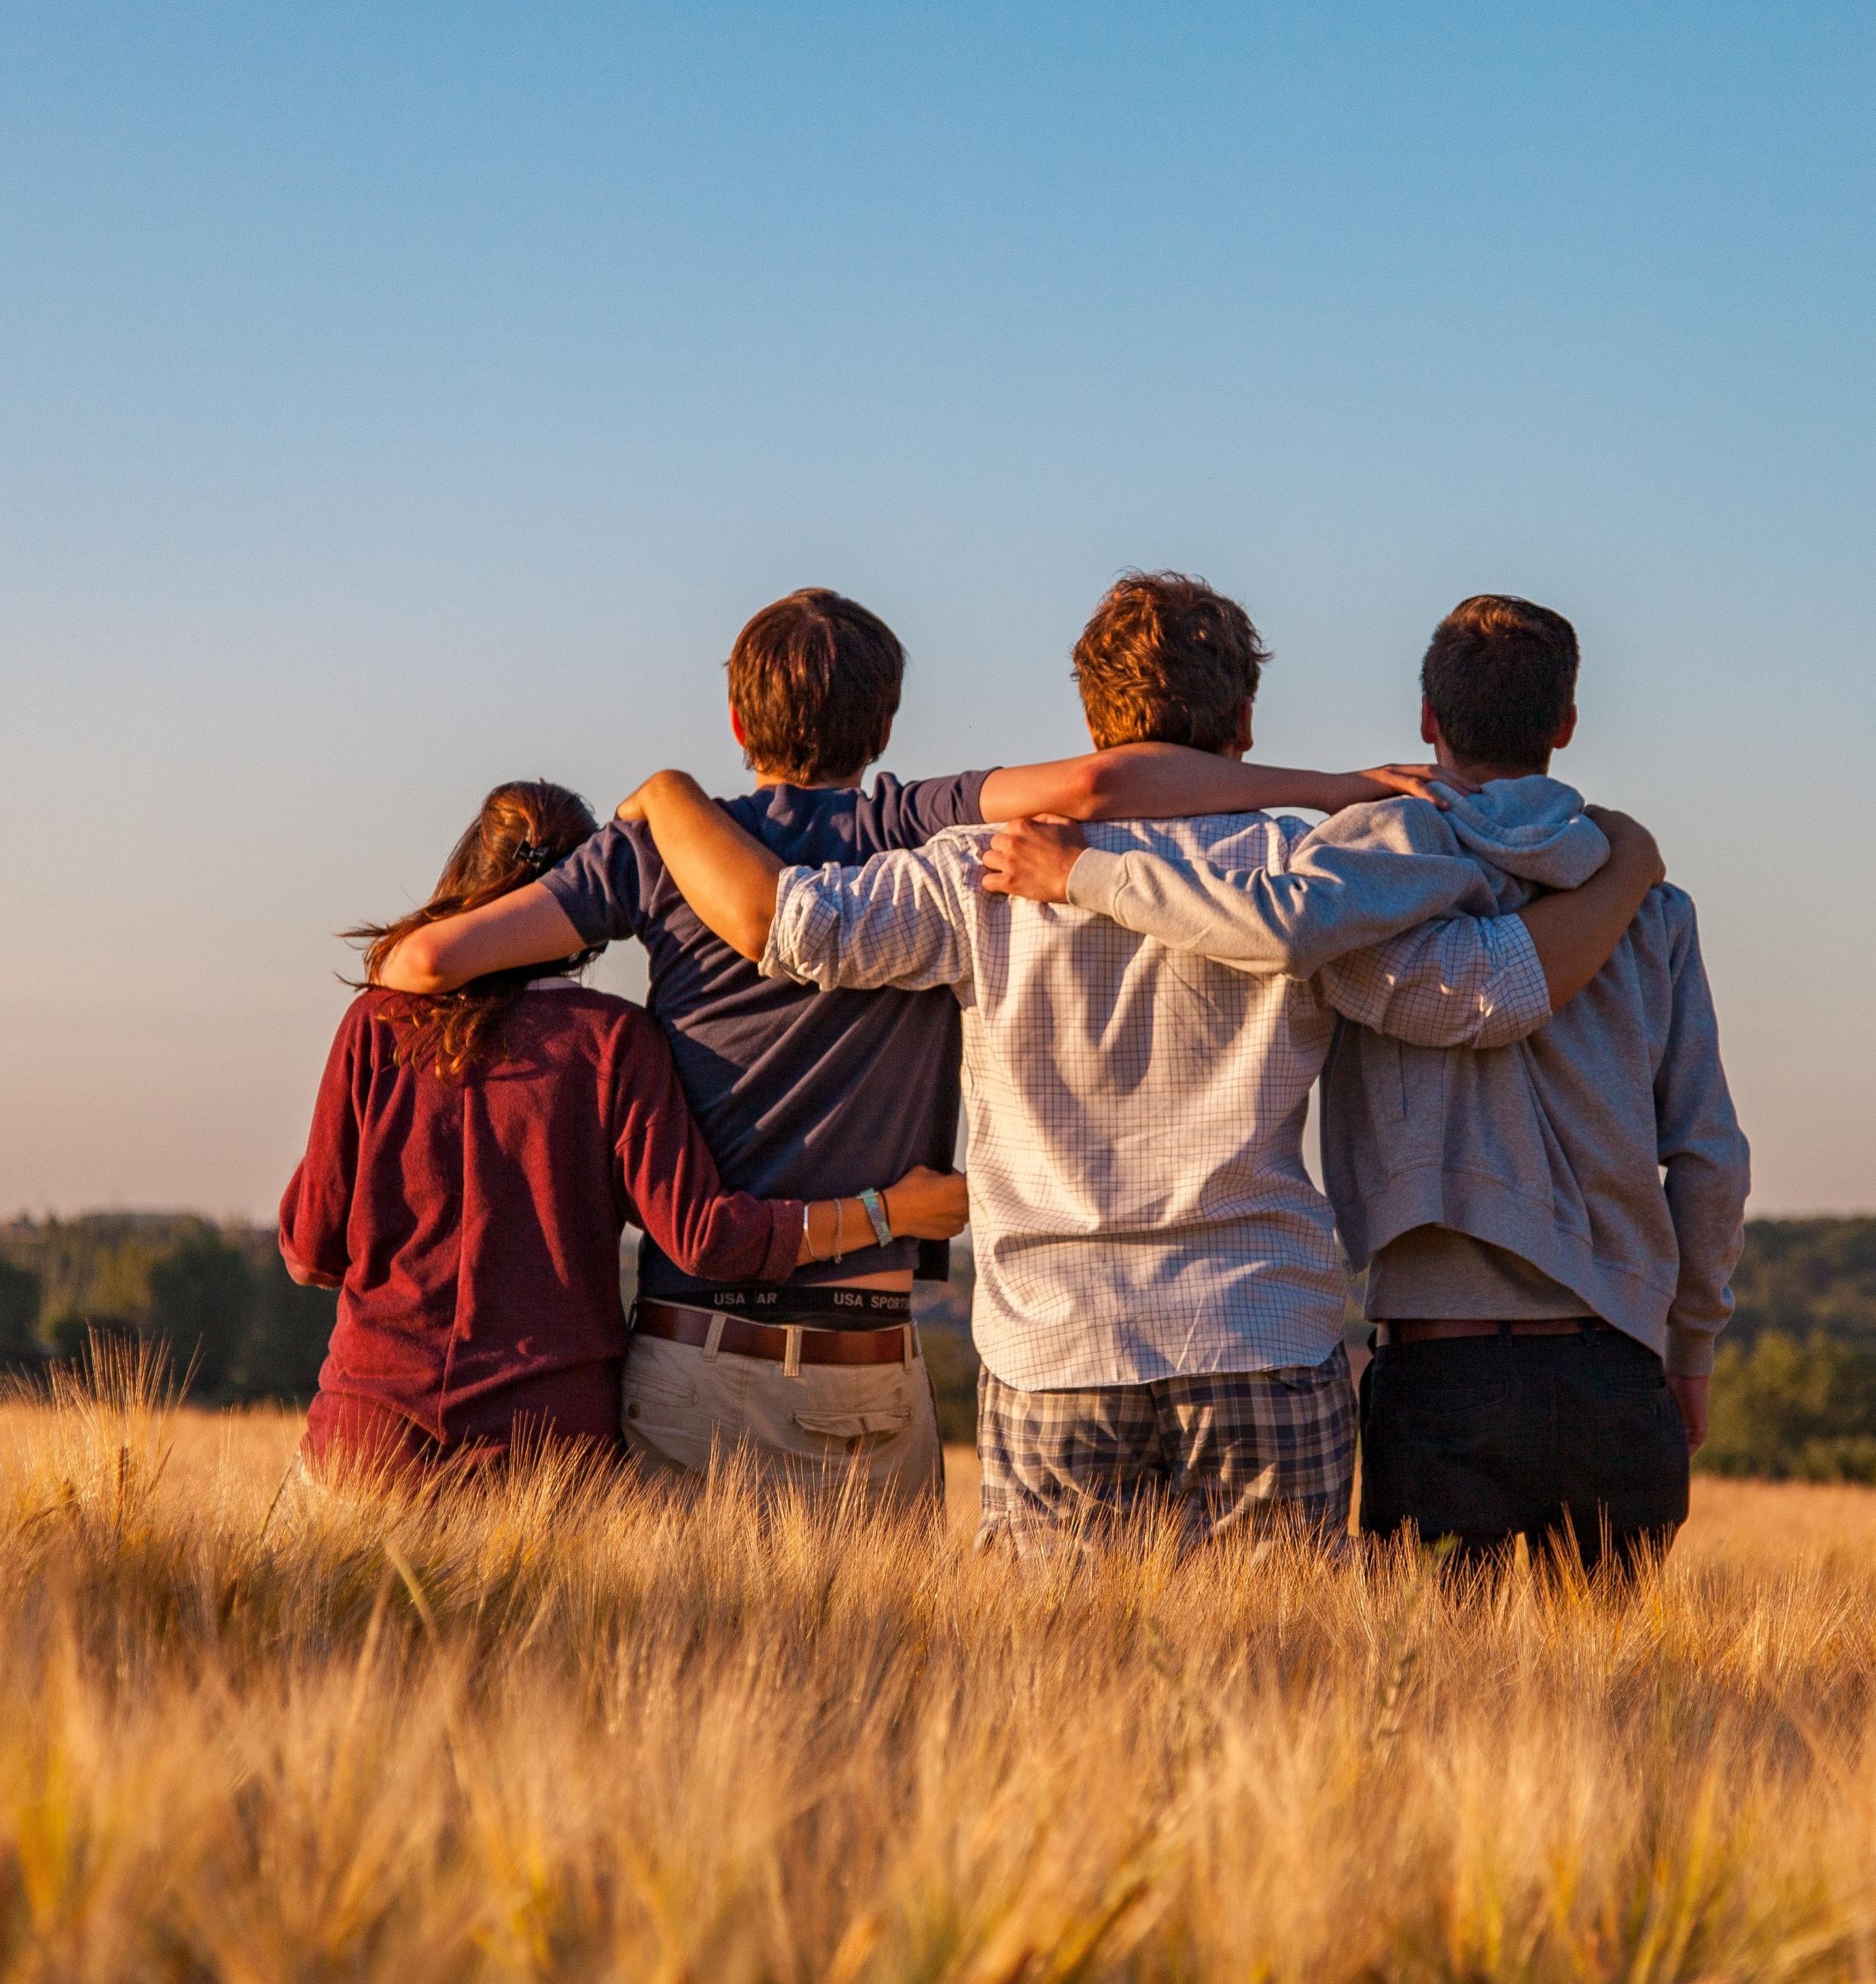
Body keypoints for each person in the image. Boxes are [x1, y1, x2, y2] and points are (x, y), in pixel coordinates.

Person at [616, 575, 1665, 1553]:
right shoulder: (1304, 873)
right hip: (1259, 1328)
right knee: (1277, 1688)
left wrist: (668, 797)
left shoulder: (975, 871)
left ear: (1090, 721)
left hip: (1053, 1346)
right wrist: (1624, 871)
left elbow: (791, 927)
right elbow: (1483, 995)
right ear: (1244, 723)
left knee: (1056, 1696)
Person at [374, 587, 1447, 1501]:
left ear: (736, 721)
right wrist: (1333, 788)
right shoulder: (910, 825)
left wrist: (655, 807)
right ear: (884, 723)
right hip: (877, 1355)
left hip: (699, 1345)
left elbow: (425, 967)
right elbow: (1096, 787)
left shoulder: (660, 851)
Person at [985, 594, 1748, 1577]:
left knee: (1426, 1705)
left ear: (1428, 718)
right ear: (1563, 725)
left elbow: (1272, 925)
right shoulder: (1650, 906)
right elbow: (1706, 1155)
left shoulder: (1358, 877)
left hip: (1439, 1366)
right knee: (1614, 1714)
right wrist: (1689, 1347)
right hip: (1617, 1366)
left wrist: (1084, 873)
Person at [280, 778, 968, 1485]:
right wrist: (890, 1212)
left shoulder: (378, 1026)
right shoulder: (614, 1042)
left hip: (367, 1440)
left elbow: (311, 1251)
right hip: (546, 1456)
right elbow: (706, 1238)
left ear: (467, 876)